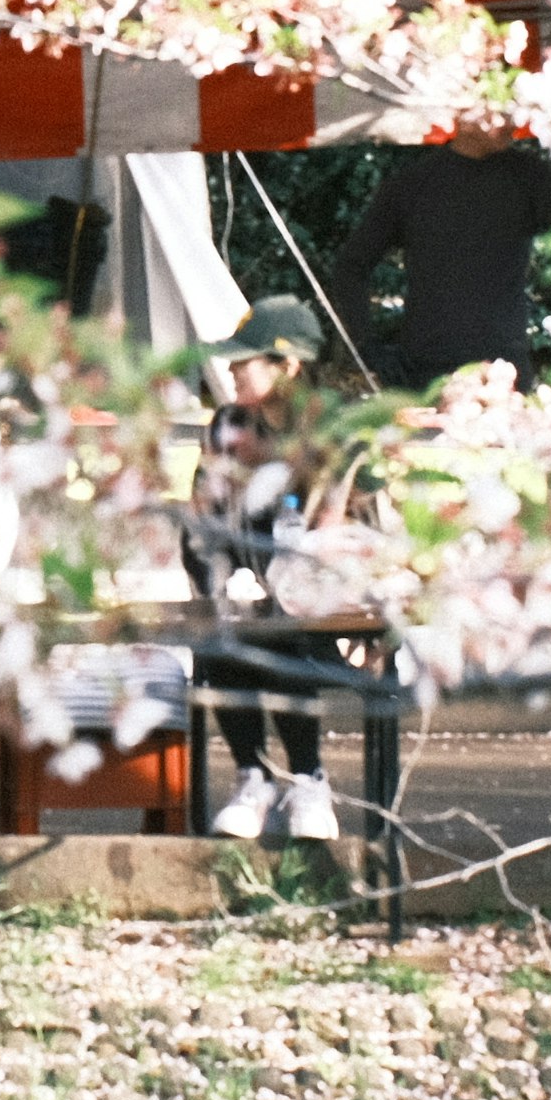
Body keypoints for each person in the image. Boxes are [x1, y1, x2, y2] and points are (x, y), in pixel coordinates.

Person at [191, 298, 341, 844]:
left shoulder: (330, 430)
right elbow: (202, 516)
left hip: (325, 599)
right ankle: (252, 776)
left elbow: (338, 528)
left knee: (280, 635)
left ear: (288, 366)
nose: (230, 371)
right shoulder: (228, 425)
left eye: (244, 361)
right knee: (219, 634)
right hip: (246, 587)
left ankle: (308, 779)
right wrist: (221, 574)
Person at [324, 118, 551, 387]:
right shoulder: (413, 184)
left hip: (502, 365)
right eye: (496, 113)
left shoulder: (529, 176)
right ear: (465, 116)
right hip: (426, 366)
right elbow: (351, 267)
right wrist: (368, 345)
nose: (510, 123)